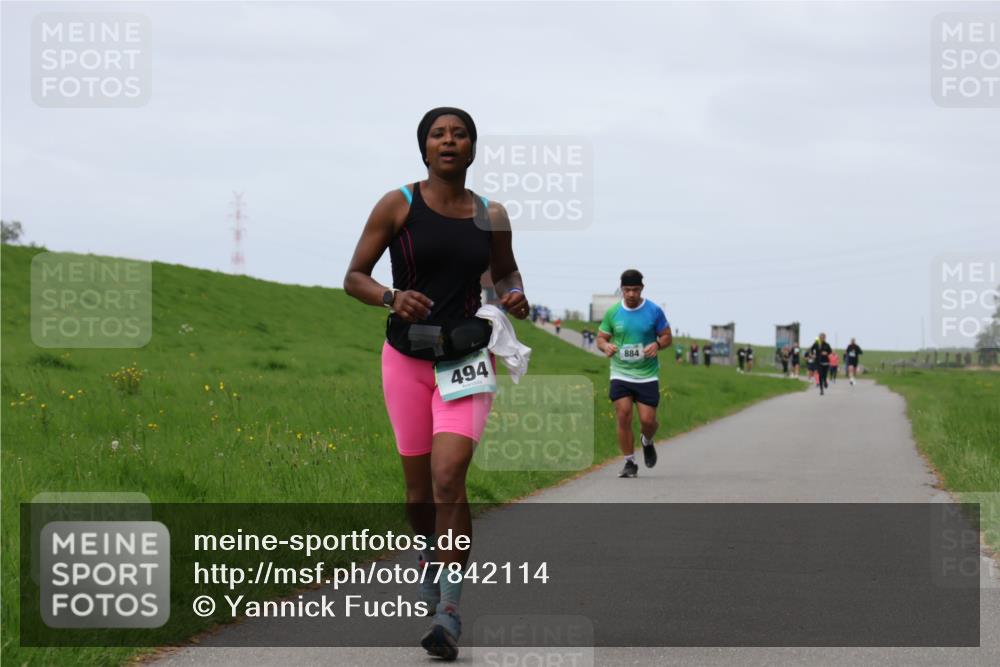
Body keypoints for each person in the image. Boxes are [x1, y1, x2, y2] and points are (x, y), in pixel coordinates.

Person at [343, 107, 529, 661]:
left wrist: (514, 295)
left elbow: (506, 273)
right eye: (438, 135)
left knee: (450, 478)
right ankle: (428, 559)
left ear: (473, 148)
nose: (449, 141)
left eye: (460, 134)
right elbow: (353, 275)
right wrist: (390, 297)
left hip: (467, 359)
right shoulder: (398, 203)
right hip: (405, 358)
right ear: (424, 149)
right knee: (419, 491)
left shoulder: (491, 214)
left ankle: (448, 609)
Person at [596, 269, 672, 478]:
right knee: (624, 415)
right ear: (621, 290)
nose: (631, 294)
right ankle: (629, 462)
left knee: (648, 421)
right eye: (627, 290)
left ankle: (647, 441)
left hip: (647, 374)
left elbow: (667, 337)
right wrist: (605, 347)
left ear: (642, 289)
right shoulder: (613, 312)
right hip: (621, 372)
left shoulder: (654, 311)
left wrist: (657, 344)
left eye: (635, 290)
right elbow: (601, 338)